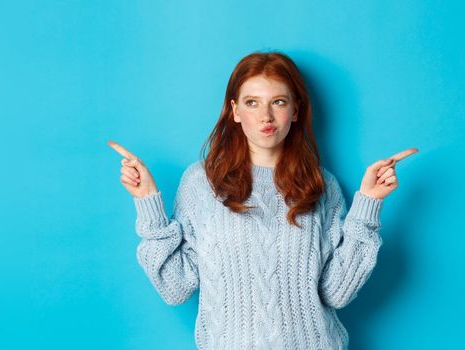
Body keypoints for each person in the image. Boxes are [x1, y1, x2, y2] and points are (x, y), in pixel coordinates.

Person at [107, 51, 417, 350]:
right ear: (235, 111)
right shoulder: (201, 183)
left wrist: (368, 205)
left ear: (295, 109)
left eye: (278, 102)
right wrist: (148, 202)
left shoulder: (321, 186)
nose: (265, 116)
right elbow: (175, 287)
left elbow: (337, 292)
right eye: (252, 103)